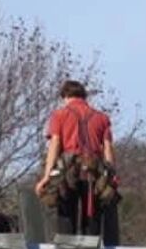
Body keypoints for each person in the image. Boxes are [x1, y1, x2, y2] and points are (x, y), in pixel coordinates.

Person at [35, 80, 119, 239]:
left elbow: (55, 144)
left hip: (67, 172)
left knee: (66, 216)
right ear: (84, 96)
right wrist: (112, 176)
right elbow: (108, 149)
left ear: (65, 96)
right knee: (92, 218)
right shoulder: (102, 118)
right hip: (94, 174)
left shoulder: (60, 114)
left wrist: (47, 176)